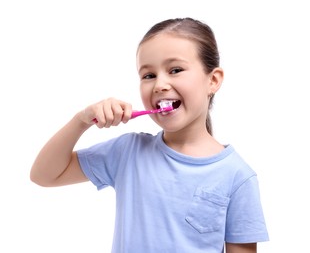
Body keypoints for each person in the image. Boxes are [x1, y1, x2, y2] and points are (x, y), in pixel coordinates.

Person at [30, 17, 269, 253]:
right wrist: (81, 121)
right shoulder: (128, 152)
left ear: (213, 80)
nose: (159, 84)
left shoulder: (238, 177)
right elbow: (44, 175)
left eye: (175, 70)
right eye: (148, 75)